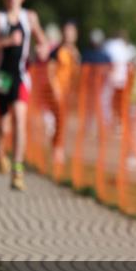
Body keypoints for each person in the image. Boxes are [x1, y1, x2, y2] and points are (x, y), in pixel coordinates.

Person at [0, 0, 51, 192]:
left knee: (19, 119)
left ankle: (17, 171)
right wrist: (5, 42)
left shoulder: (30, 18)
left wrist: (42, 49)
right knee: (3, 125)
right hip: (0, 77)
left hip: (20, 76)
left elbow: (44, 42)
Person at [48, 20, 81, 165]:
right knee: (60, 120)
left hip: (70, 92)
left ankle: (57, 147)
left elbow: (77, 73)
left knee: (63, 121)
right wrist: (55, 87)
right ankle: (57, 150)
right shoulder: (57, 51)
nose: (69, 34)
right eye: (67, 31)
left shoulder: (75, 53)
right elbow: (51, 70)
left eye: (71, 31)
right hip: (59, 91)